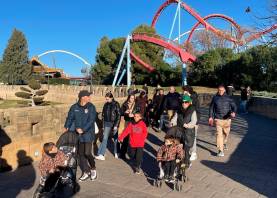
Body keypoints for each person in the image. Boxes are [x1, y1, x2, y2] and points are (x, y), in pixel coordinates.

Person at [64, 90, 97, 181]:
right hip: (78, 134)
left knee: (87, 153)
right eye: (88, 96)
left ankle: (93, 169)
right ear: (82, 97)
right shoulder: (74, 107)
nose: (89, 98)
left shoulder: (91, 107)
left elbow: (91, 120)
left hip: (88, 133)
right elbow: (70, 118)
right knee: (80, 154)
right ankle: (86, 171)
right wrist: (67, 126)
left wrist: (83, 129)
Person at [209, 85, 237, 157]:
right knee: (219, 135)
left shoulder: (228, 98)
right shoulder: (215, 98)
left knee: (226, 133)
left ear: (224, 90)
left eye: (221, 90)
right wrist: (210, 117)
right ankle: (220, 150)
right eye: (219, 90)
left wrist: (233, 112)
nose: (220, 92)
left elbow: (234, 106)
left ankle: (224, 143)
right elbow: (211, 108)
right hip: (218, 119)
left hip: (227, 120)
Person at [171, 95, 197, 167]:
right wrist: (172, 123)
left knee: (186, 148)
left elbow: (194, 121)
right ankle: (181, 160)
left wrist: (188, 125)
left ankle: (186, 162)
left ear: (189, 103)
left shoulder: (192, 110)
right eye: (183, 102)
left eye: (186, 102)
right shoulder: (179, 110)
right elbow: (175, 118)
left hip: (188, 132)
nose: (184, 103)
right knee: (179, 147)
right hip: (179, 132)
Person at [95, 92, 121, 160]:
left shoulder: (116, 104)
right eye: (106, 99)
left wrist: (116, 125)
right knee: (104, 138)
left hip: (114, 123)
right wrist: (103, 126)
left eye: (108, 99)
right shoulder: (105, 104)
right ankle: (101, 154)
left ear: (111, 98)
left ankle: (116, 152)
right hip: (106, 123)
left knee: (115, 139)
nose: (107, 100)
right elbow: (103, 115)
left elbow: (118, 115)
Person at [182, 85, 200, 161]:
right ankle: (187, 150)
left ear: (188, 91)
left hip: (194, 121)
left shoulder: (194, 98)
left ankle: (194, 153)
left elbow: (197, 110)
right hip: (185, 121)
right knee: (186, 136)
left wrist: (196, 123)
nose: (183, 92)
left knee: (193, 137)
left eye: (184, 90)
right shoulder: (184, 98)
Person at [120, 94, 137, 159]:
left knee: (133, 138)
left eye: (133, 98)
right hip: (127, 122)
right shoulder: (125, 104)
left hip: (134, 123)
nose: (132, 99)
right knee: (126, 139)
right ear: (128, 98)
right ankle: (122, 154)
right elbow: (121, 112)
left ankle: (133, 154)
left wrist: (134, 115)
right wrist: (125, 112)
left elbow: (140, 112)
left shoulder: (136, 105)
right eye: (131, 98)